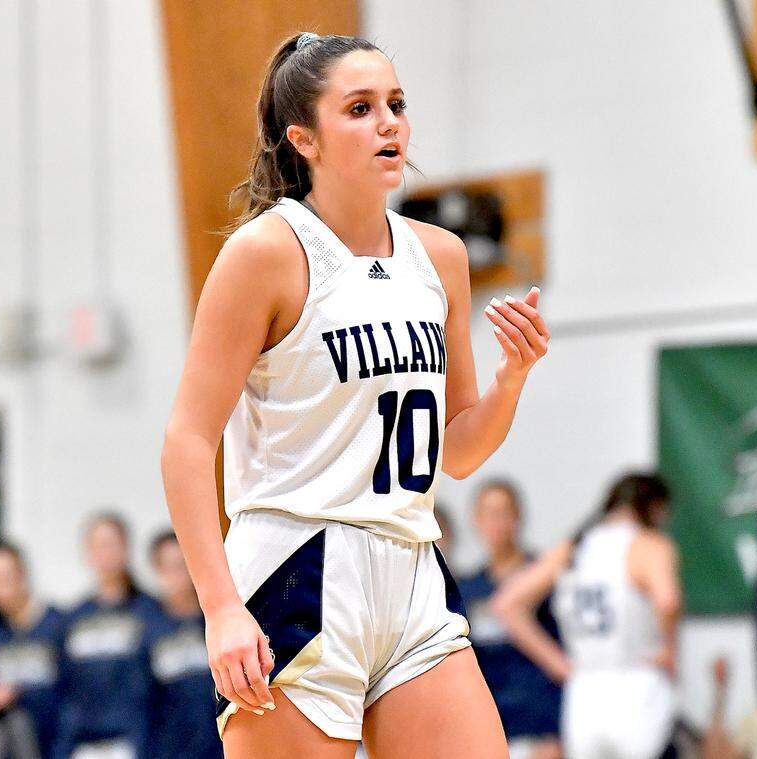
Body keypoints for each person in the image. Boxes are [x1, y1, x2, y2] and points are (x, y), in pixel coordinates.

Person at [161, 30, 551, 759]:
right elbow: (186, 441)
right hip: (295, 568)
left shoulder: (441, 256)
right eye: (361, 108)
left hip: (411, 564)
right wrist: (219, 608)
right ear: (302, 138)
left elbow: (458, 450)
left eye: (396, 104)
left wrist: (512, 378)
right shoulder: (265, 253)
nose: (389, 123)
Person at [492, 473, 680, 759]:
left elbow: (506, 605)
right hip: (636, 685)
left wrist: (559, 665)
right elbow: (667, 601)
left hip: (584, 692)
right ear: (656, 508)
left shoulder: (575, 547)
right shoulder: (649, 544)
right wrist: (668, 649)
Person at [457, 479, 562, 759]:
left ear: (518, 517)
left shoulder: (541, 578)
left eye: (504, 513)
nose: (496, 523)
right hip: (493, 722)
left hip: (540, 718)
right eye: (488, 514)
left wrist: (557, 731)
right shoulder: (468, 587)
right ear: (476, 520)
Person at [55, 513, 159, 759]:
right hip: (83, 746)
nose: (106, 553)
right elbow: (64, 685)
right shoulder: (73, 619)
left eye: (112, 544)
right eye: (98, 546)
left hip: (135, 743)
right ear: (87, 552)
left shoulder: (150, 612)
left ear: (126, 549)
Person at [0, 541, 64, 759]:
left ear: (23, 574)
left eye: (7, 576)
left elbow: (75, 692)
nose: (2, 586)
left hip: (58, 740)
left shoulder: (58, 624)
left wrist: (23, 692)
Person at [144, 530, 221, 759]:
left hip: (218, 744)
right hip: (169, 748)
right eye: (169, 566)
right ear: (157, 569)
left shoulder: (216, 621)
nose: (178, 574)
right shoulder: (148, 627)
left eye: (182, 564)